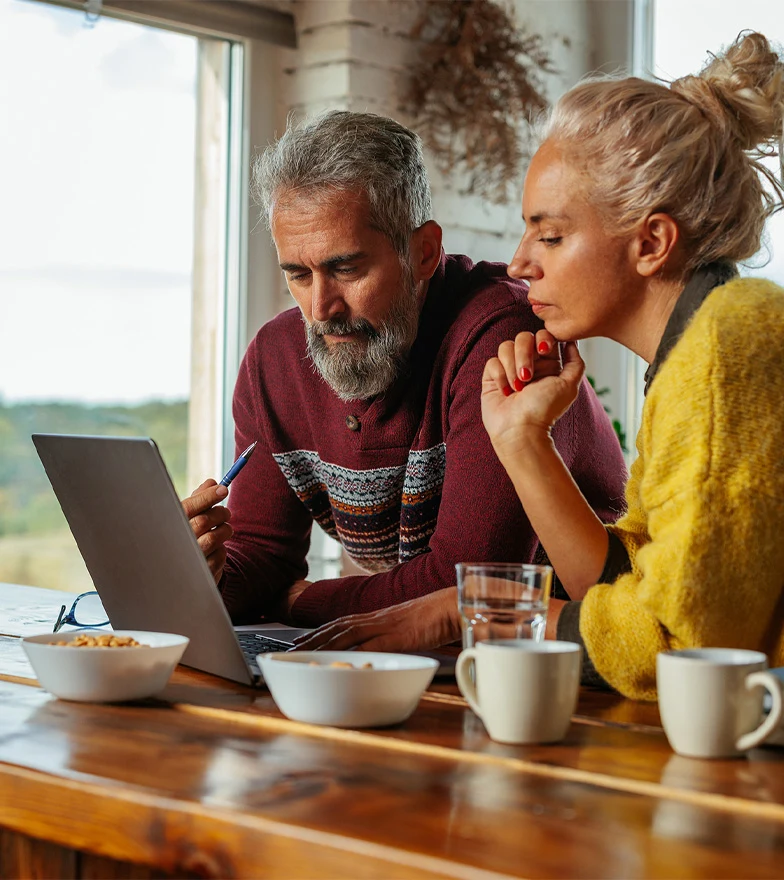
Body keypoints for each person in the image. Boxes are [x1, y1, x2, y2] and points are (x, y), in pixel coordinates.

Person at [296, 33, 784, 701]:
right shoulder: (699, 350)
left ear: (651, 242)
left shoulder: (730, 347)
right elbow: (620, 588)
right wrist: (522, 440)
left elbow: (678, 651)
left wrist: (467, 609)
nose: (522, 263)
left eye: (550, 235)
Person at [183, 111, 627, 628]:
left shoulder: (504, 339)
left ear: (423, 252)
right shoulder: (274, 360)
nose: (320, 307)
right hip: (414, 657)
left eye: (346, 268)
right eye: (299, 275)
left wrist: (297, 603)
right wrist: (208, 572)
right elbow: (261, 557)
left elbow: (461, 588)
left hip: (570, 660)